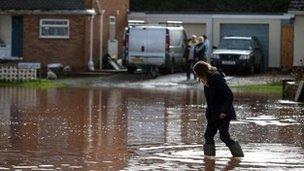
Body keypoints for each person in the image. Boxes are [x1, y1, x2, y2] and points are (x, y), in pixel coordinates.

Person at [192, 61, 244, 157]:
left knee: (224, 136)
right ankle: (209, 160)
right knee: (208, 135)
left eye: (197, 74)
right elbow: (210, 100)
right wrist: (208, 114)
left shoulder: (216, 78)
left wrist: (224, 111)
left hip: (223, 113)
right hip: (213, 114)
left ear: (201, 72)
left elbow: (229, 95)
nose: (197, 77)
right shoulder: (206, 81)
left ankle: (239, 157)